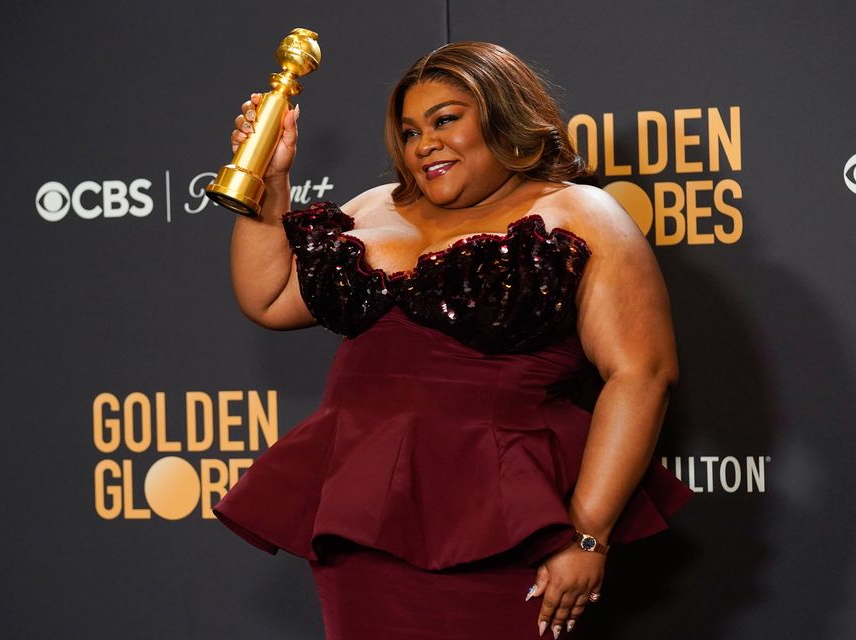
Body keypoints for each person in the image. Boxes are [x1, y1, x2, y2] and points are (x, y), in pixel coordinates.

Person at [214, 41, 692, 640]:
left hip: (506, 523)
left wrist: (588, 532)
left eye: (445, 120)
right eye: (411, 131)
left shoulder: (581, 211)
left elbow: (642, 374)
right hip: (362, 518)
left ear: (505, 119)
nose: (424, 144)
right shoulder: (372, 208)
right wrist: (272, 180)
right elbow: (267, 298)